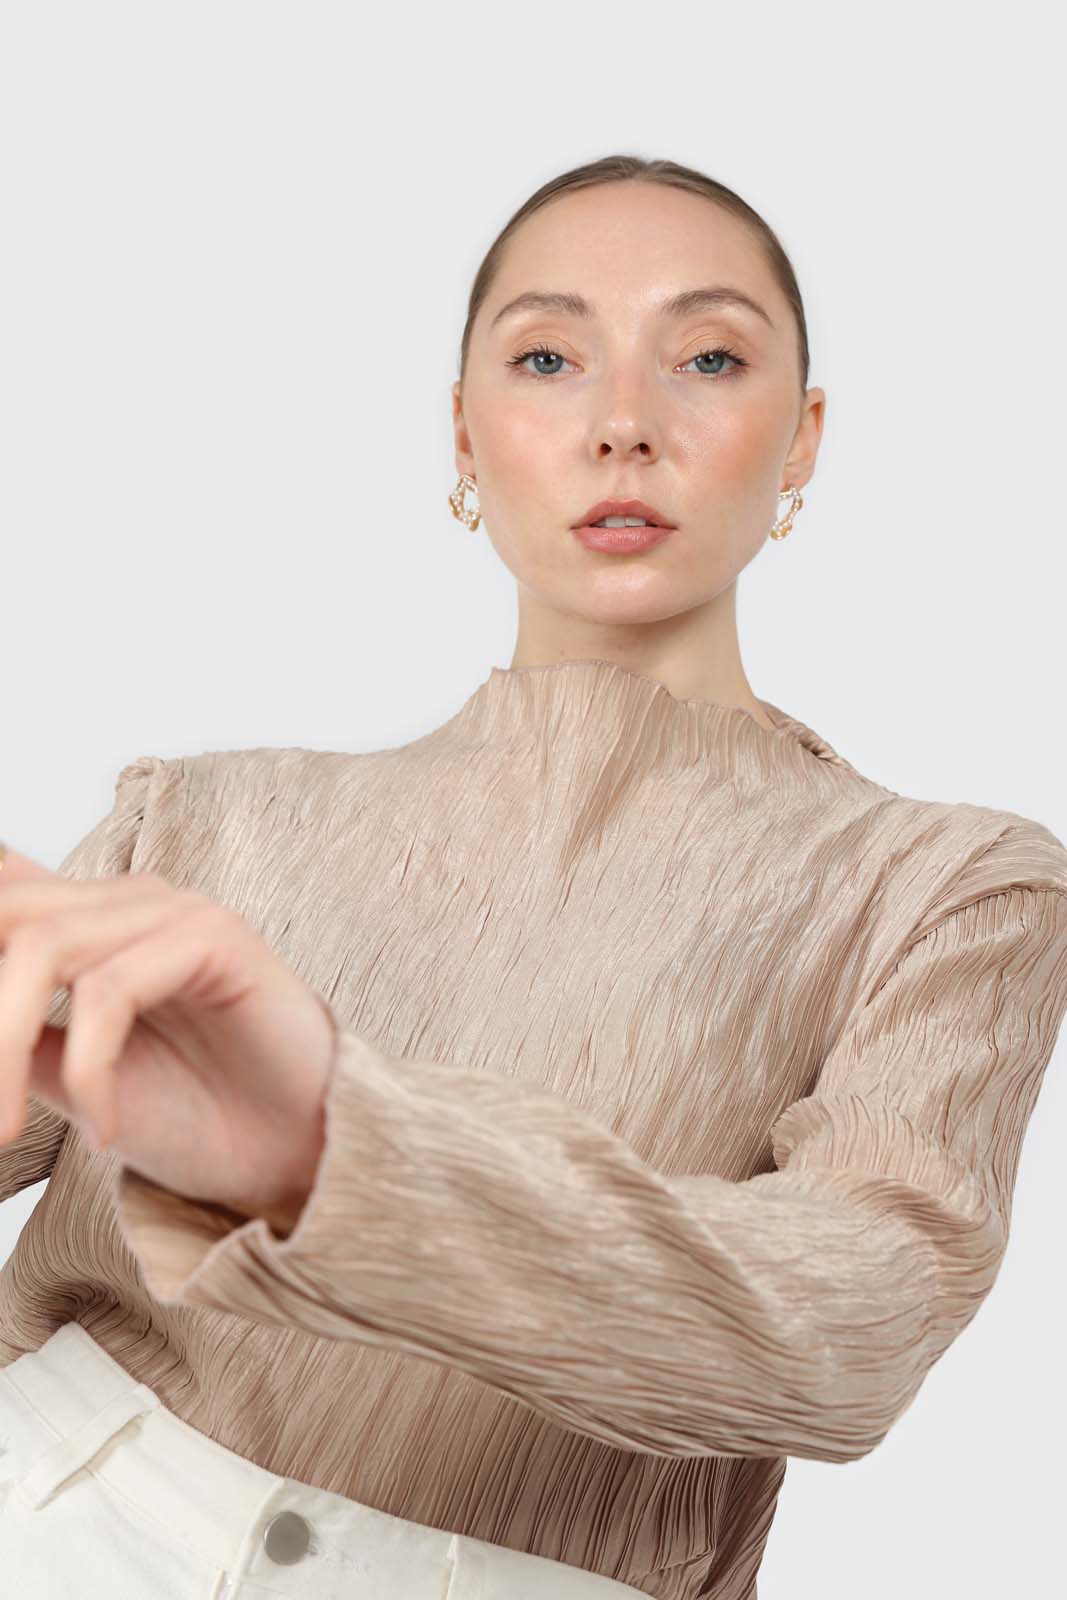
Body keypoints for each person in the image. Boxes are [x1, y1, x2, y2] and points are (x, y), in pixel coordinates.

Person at [2, 152, 1066, 1600]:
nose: (625, 423)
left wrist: (331, 1160)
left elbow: (850, 1334)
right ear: (463, 431)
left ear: (803, 440)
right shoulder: (202, 820)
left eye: (707, 357)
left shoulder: (944, 889)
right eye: (551, 358)